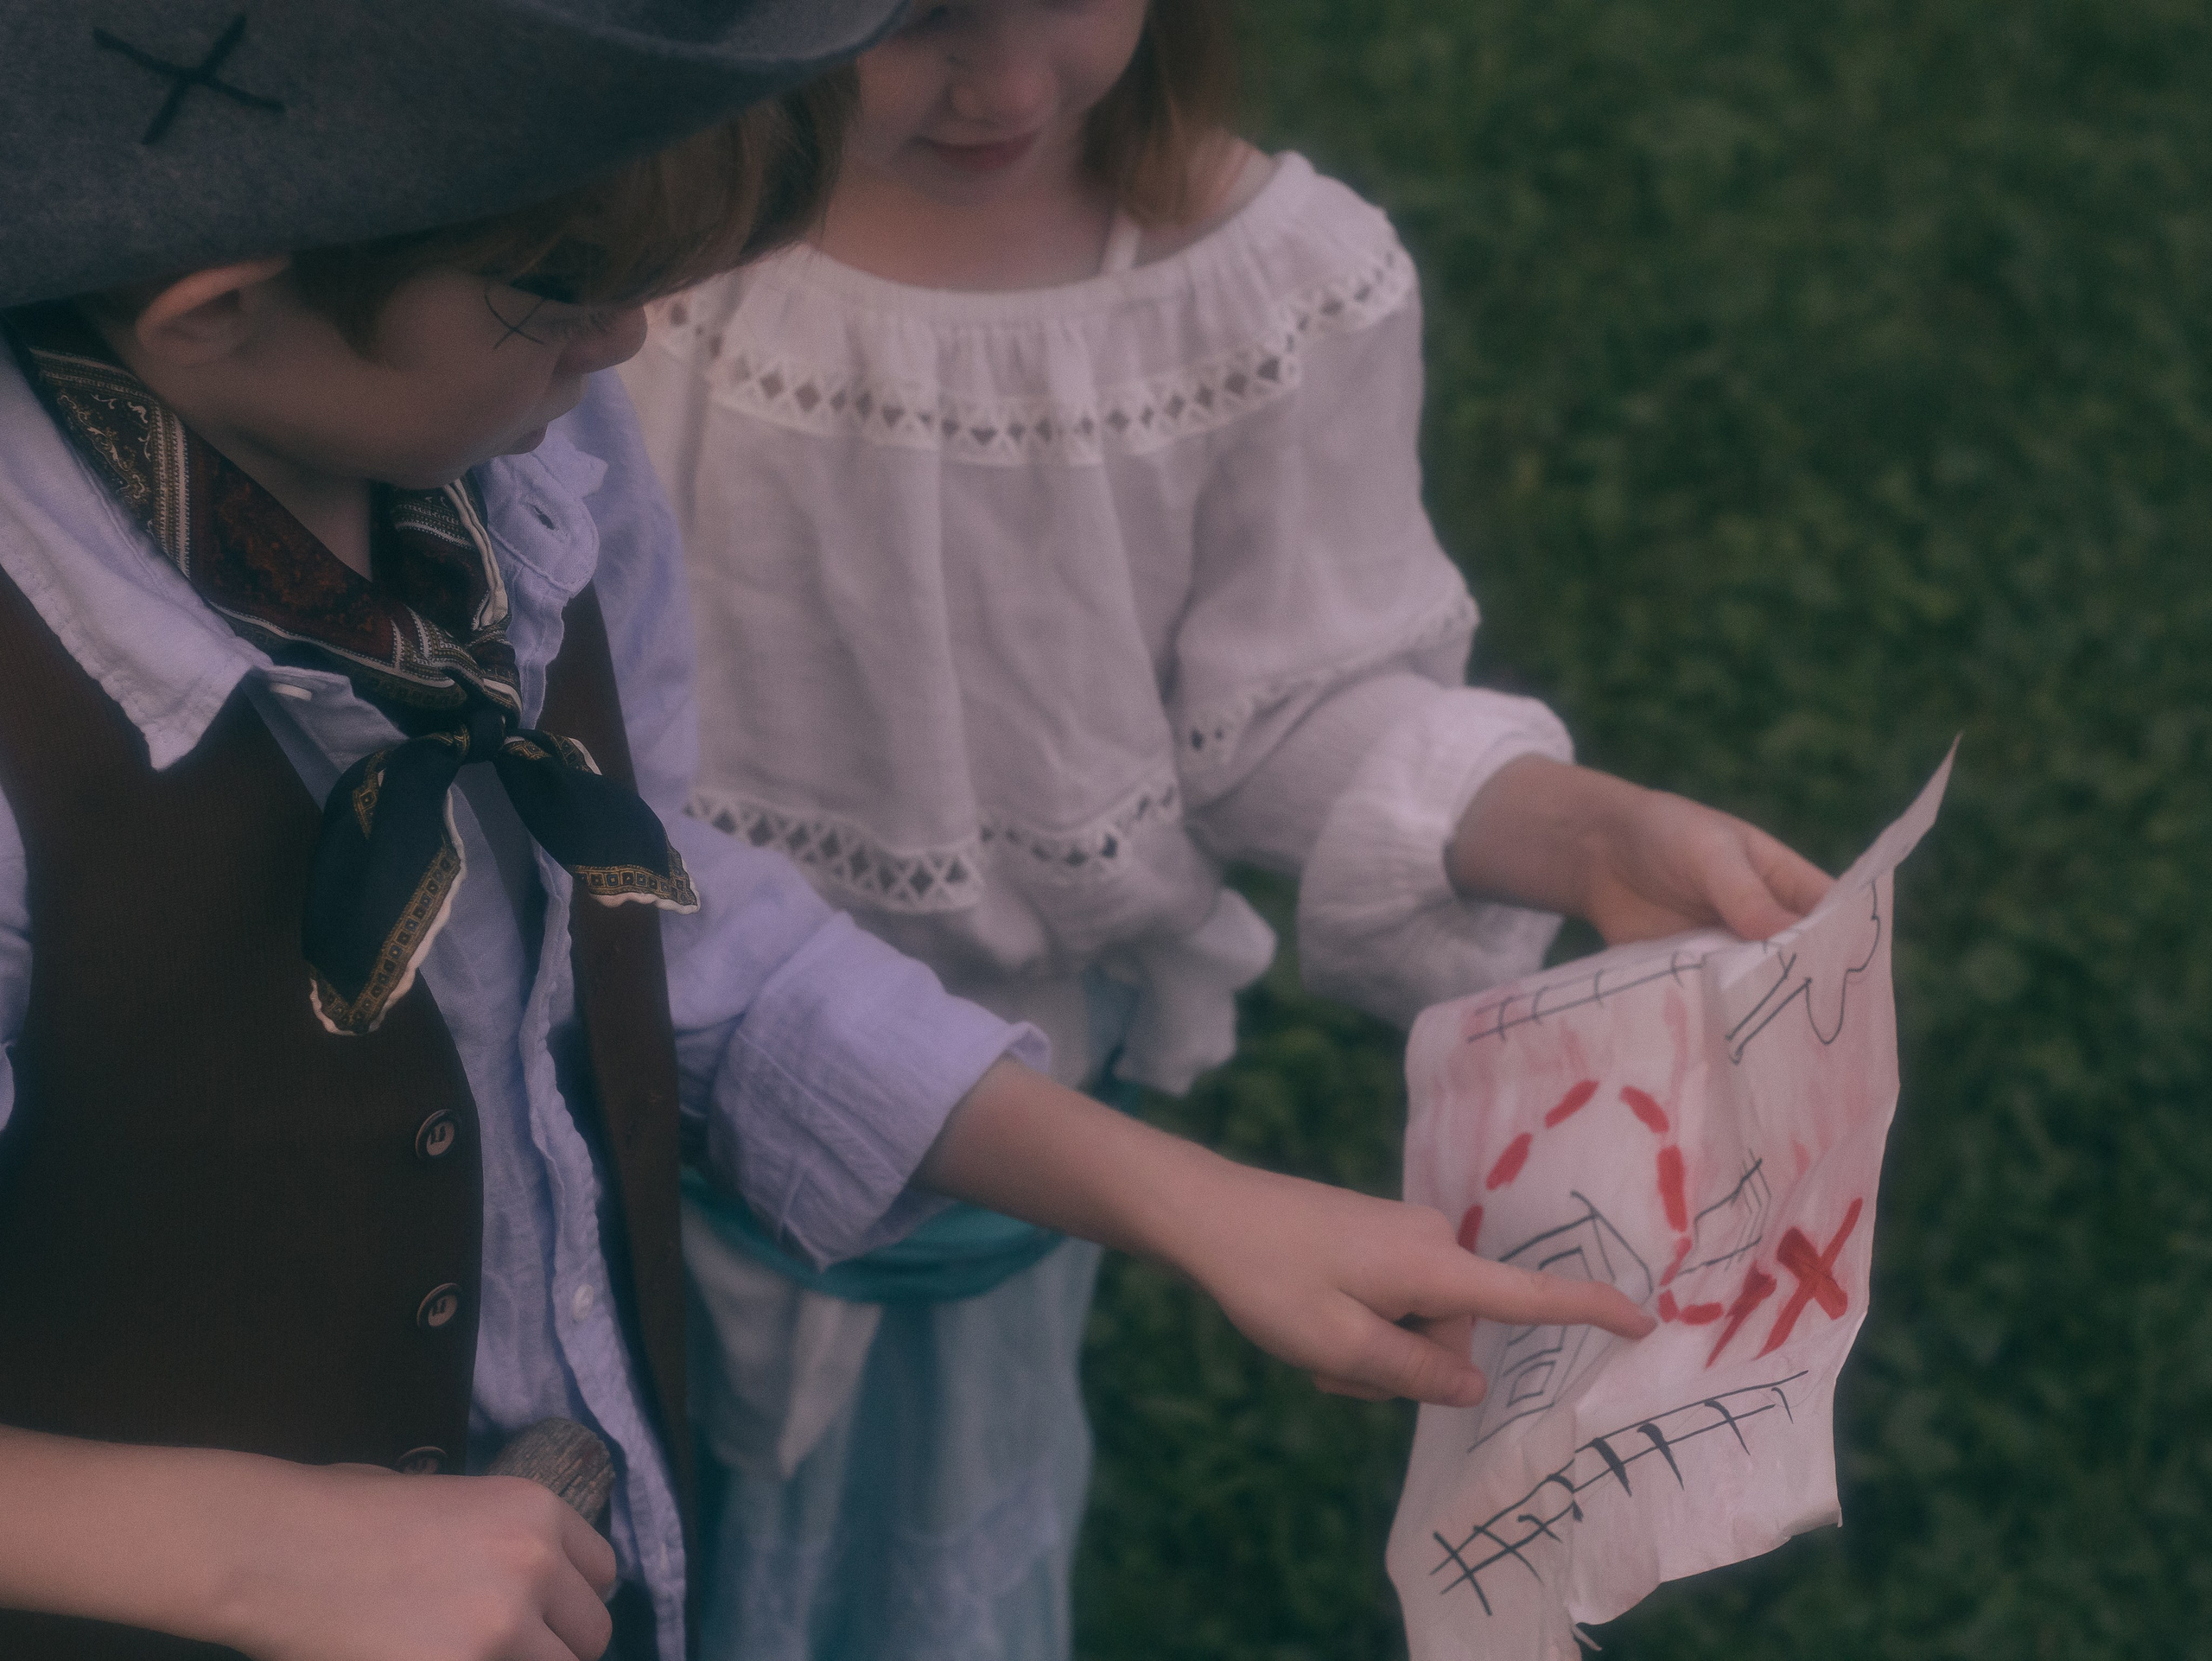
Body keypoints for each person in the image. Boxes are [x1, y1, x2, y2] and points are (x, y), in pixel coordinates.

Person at [0, 6, 1653, 1660]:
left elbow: (659, 920)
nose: (629, 340)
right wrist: (240, 1554)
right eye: (561, 293)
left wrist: (1191, 1200)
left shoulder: (526, 456)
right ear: (216, 313)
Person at [620, 2, 1834, 1657]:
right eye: (918, 13)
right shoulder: (643, 243)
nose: (1005, 83)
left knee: (898, 1509)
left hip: (1016, 1091)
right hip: (619, 1015)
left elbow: (1282, 714)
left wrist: (1579, 834)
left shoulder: (1259, 290)